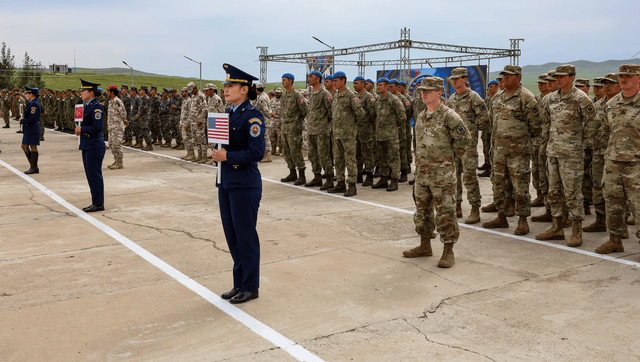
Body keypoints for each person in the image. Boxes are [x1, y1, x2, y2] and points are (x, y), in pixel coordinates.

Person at [404, 76, 471, 268]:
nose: (423, 94)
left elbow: (465, 142)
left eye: (428, 91)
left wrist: (446, 161)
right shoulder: (421, 116)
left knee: (445, 214)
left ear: (439, 93)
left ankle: (448, 251)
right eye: (421, 91)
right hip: (423, 175)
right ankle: (425, 245)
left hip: (442, 177)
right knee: (422, 212)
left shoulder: (450, 116)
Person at [212, 64, 265, 304]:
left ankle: (250, 286)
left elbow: (257, 152)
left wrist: (228, 157)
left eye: (230, 85)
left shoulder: (252, 116)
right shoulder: (227, 113)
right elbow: (223, 145)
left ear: (244, 89)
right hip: (226, 182)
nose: (225, 89)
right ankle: (239, 283)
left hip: (244, 183)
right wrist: (217, 152)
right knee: (232, 235)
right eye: (225, 85)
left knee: (245, 236)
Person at [75, 79, 106, 212]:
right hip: (87, 144)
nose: (81, 92)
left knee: (94, 174)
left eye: (83, 90)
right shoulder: (87, 106)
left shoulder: (96, 107)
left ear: (91, 93)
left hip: (94, 145)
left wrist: (83, 130)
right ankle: (95, 201)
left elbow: (98, 127)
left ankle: (98, 203)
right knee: (90, 174)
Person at [19, 86, 42, 174]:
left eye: (26, 93)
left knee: (32, 146)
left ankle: (34, 167)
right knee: (24, 146)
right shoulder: (31, 103)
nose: (25, 95)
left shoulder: (34, 104)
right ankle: (33, 166)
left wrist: (23, 121)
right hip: (29, 128)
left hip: (32, 127)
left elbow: (33, 118)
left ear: (31, 94)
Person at [106, 85, 128, 169]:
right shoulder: (110, 101)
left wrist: (124, 120)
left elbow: (123, 113)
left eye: (108, 91)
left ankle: (119, 162)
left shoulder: (117, 101)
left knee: (117, 144)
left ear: (112, 92)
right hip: (111, 127)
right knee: (111, 144)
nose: (107, 93)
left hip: (117, 127)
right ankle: (116, 160)